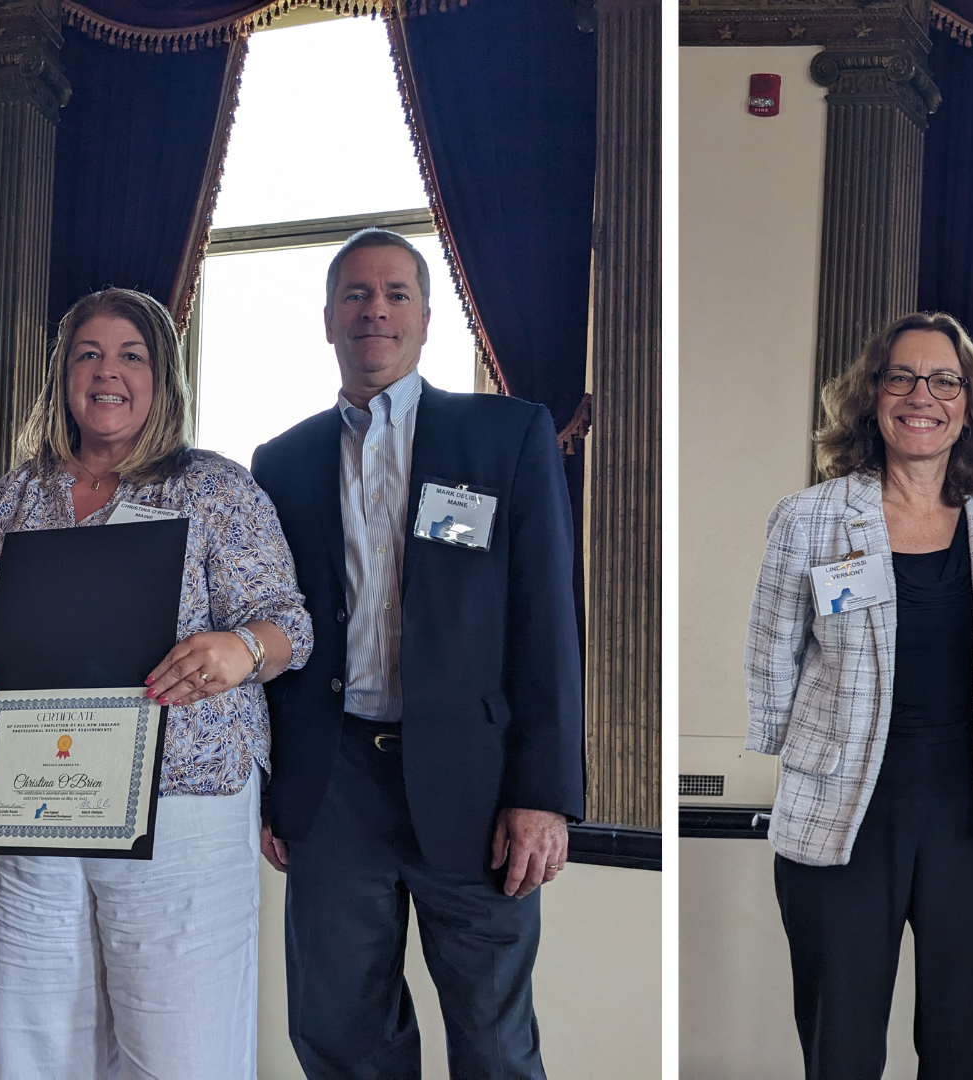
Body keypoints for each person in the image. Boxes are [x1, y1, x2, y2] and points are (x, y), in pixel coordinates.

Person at [0, 287, 311, 1077]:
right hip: (36, 802)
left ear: (162, 377)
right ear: (62, 375)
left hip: (180, 804)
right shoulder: (17, 493)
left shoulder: (214, 488)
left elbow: (290, 624)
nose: (108, 373)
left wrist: (240, 649)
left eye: (131, 355)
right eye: (88, 353)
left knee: (181, 1045)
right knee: (39, 1039)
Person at [250, 228, 584, 1078]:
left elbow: (546, 621)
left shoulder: (506, 436)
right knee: (338, 1032)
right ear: (328, 318)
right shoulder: (280, 463)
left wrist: (543, 794)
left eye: (396, 293)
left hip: (475, 790)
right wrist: (269, 787)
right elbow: (267, 625)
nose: (375, 310)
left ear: (429, 320)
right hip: (333, 788)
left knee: (496, 1041)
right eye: (356, 295)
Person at [744, 311, 973, 1079]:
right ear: (872, 394)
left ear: (968, 404)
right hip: (841, 816)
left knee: (966, 1052)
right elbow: (771, 653)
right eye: (901, 376)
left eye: (945, 380)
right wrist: (791, 754)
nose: (922, 395)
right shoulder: (810, 518)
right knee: (841, 1051)